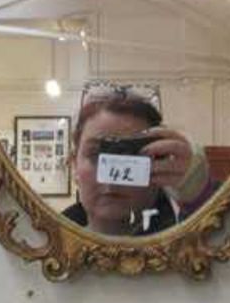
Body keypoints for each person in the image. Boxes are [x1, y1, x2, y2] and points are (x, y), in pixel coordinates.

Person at [60, 92, 211, 237]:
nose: (113, 178)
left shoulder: (188, 239)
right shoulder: (49, 239)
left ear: (159, 162)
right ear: (74, 165)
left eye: (133, 154)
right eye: (96, 155)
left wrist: (202, 199)